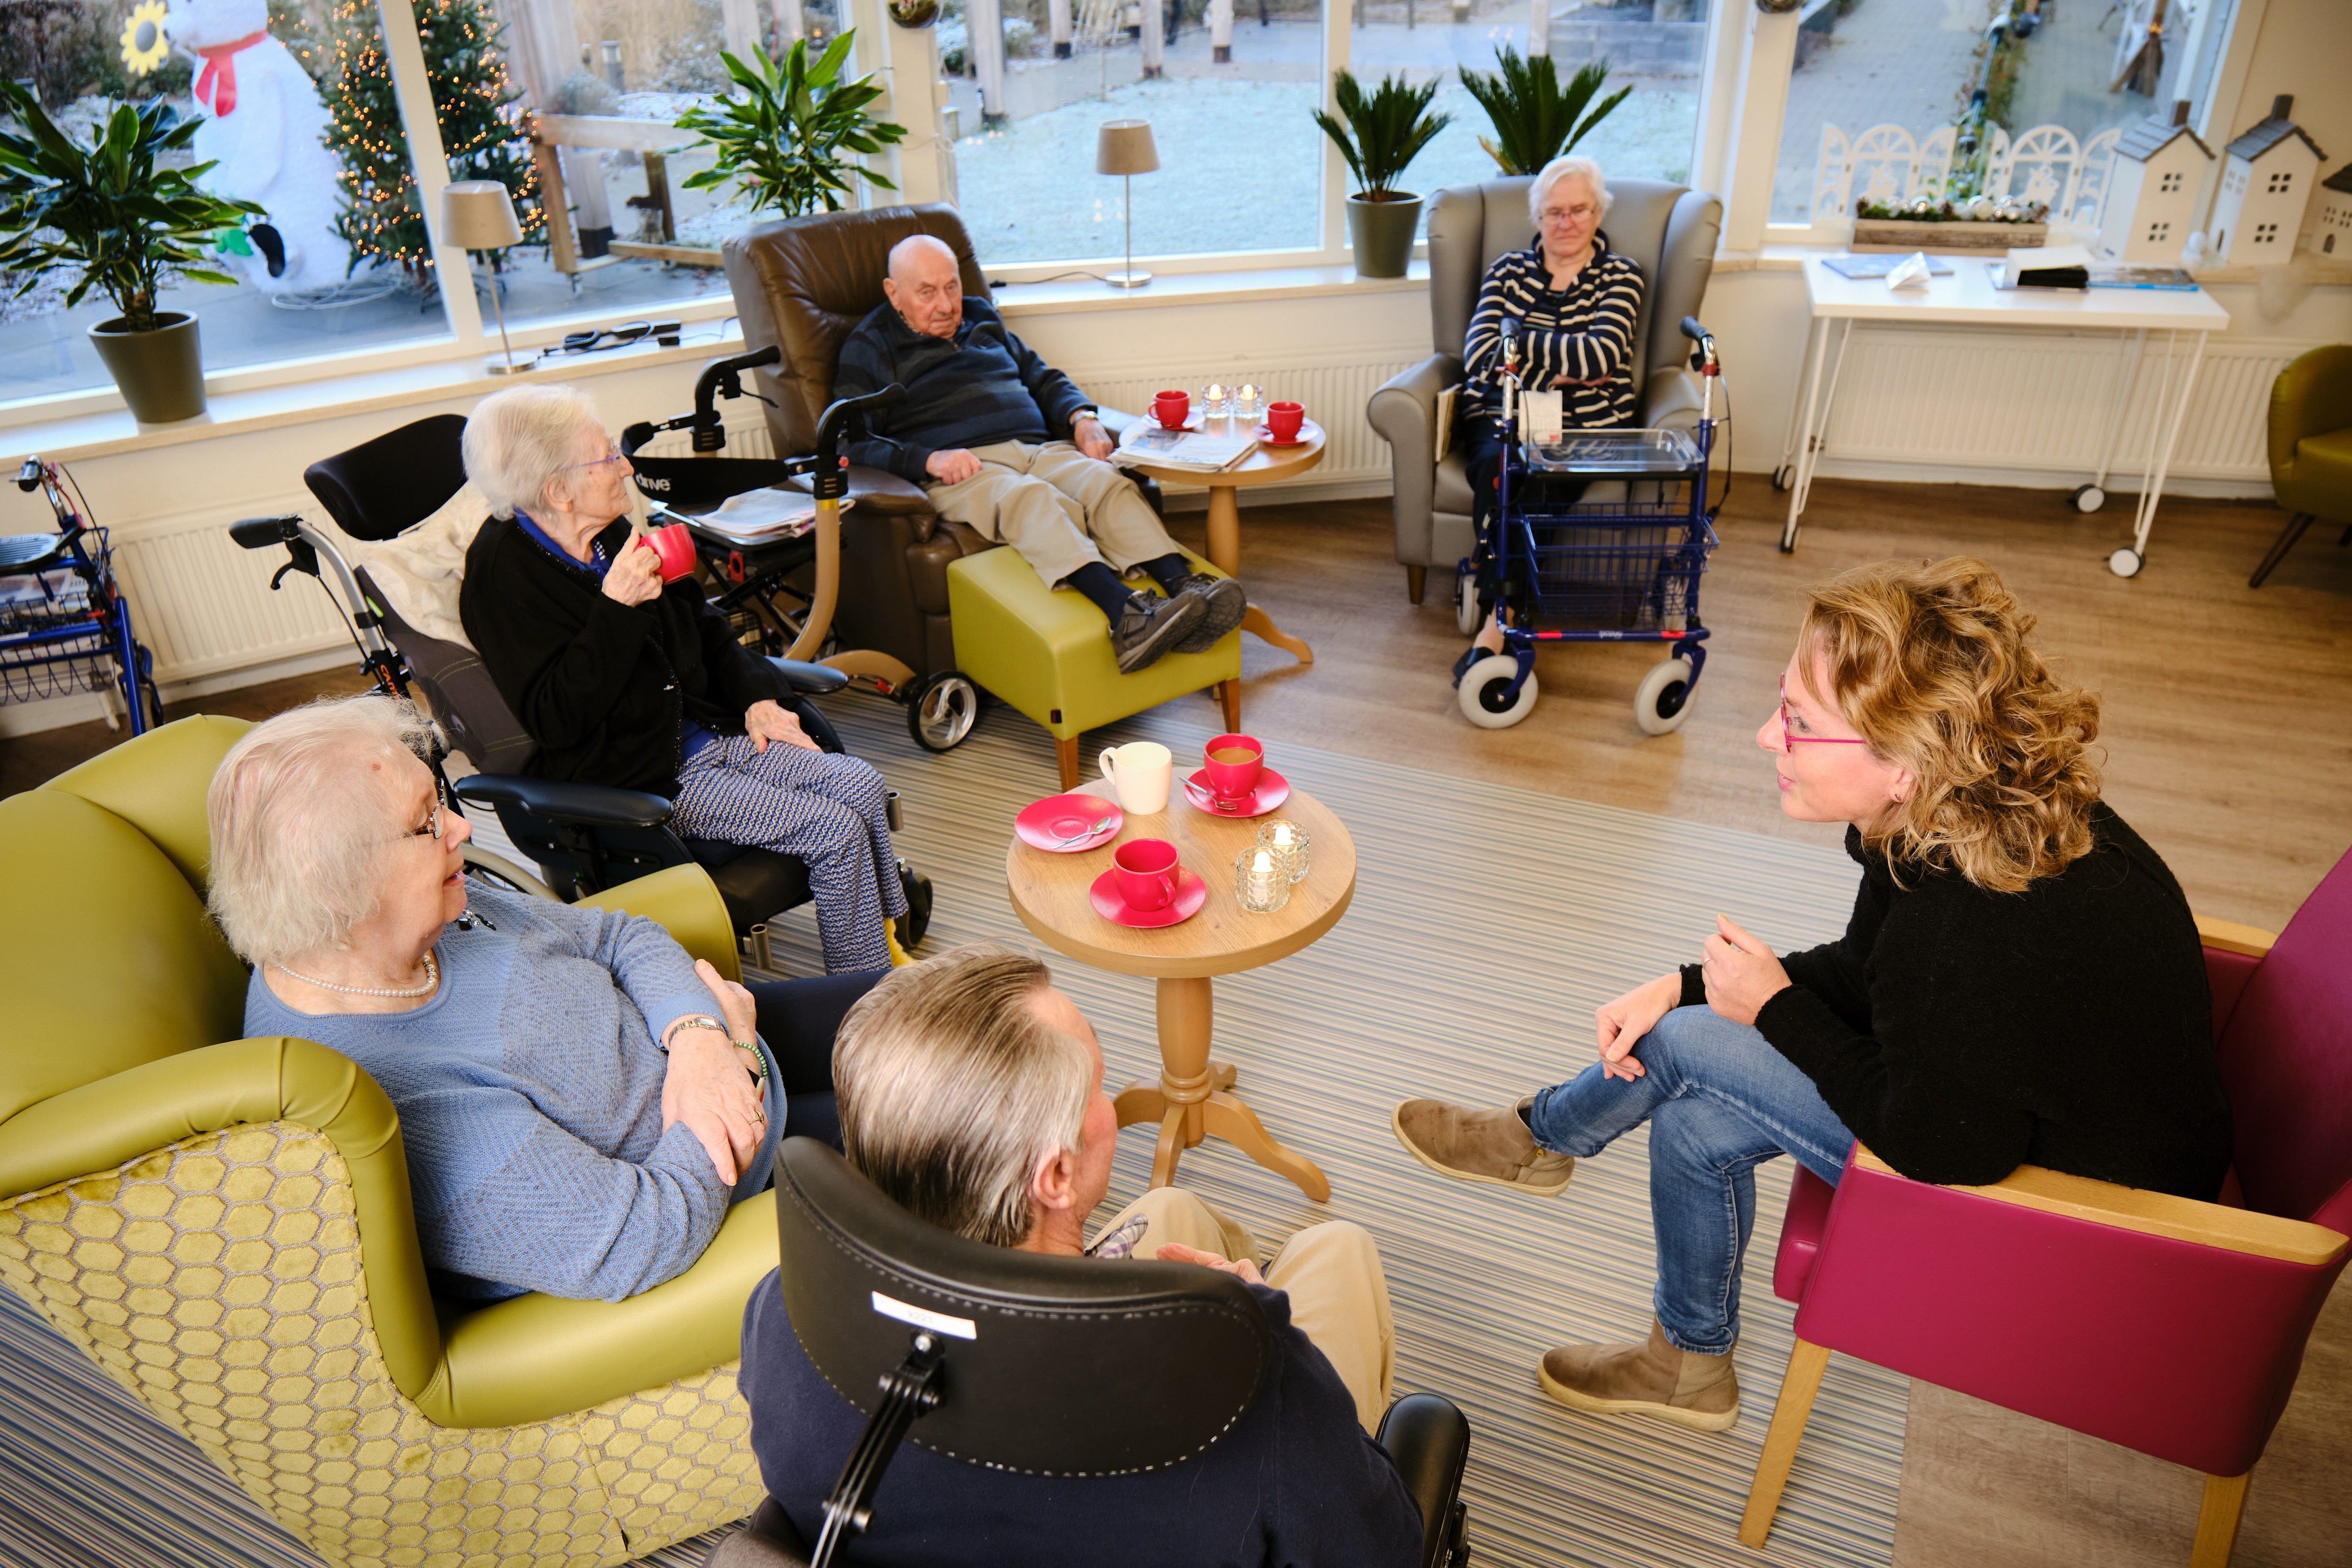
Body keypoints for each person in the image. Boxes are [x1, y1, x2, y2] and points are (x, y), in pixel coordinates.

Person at [1392, 557, 2233, 1431]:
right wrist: (1684, 982)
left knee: (1685, 1045)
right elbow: (1872, 974)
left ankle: (1535, 1139)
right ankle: (1685, 1361)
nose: (1767, 736)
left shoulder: (1963, 924)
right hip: (2045, 1116)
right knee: (1693, 1125)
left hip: (2091, 1222)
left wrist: (1770, 1008)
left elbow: (1941, 1147)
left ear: (1903, 762)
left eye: (1798, 721)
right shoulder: (1963, 810)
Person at [741, 943, 1424, 1567]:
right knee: (1339, 1248)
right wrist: (1262, 1327)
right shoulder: (1246, 1384)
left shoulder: (787, 1310)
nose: (1111, 1104)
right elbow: (1386, 1549)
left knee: (1171, 1209)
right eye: (1097, 1085)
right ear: (1058, 1174)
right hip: (1238, 1434)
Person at [207, 694, 885, 1303]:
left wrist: (697, 1035)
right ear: (337, 882)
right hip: (733, 1166)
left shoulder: (410, 920)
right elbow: (642, 1234)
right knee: (937, 1118)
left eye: (439, 800)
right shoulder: (395, 1095)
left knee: (915, 1007)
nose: (461, 829)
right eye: (425, 822)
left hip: (698, 1042)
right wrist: (733, 1058)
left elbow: (617, 937)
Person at [458, 382, 906, 974]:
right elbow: (556, 718)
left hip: (715, 730)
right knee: (833, 830)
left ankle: (885, 938)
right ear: (558, 491)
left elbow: (702, 620)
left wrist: (757, 698)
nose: (626, 468)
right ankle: (864, 988)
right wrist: (615, 611)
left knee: (863, 785)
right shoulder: (500, 579)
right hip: (649, 776)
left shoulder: (608, 531)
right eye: (607, 458)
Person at [830, 233, 1248, 674]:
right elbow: (845, 443)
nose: (947, 305)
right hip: (966, 467)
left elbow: (1042, 377)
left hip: (1038, 446)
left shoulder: (980, 315)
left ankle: (1186, 591)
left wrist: (1082, 418)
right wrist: (927, 460)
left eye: (951, 286)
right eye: (927, 293)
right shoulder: (870, 346)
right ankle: (1127, 617)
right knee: (1031, 498)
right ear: (894, 293)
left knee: (1105, 481)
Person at [1452, 153, 1646, 686]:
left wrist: (1519, 346)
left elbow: (1601, 354)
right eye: (1554, 212)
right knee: (1500, 471)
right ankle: (1504, 613)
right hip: (1500, 416)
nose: (1566, 223)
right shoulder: (1507, 270)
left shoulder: (1622, 276)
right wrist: (1562, 370)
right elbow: (1479, 355)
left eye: (1578, 210)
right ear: (1537, 217)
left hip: (1583, 429)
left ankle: (1496, 624)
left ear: (1597, 213)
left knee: (1532, 487)